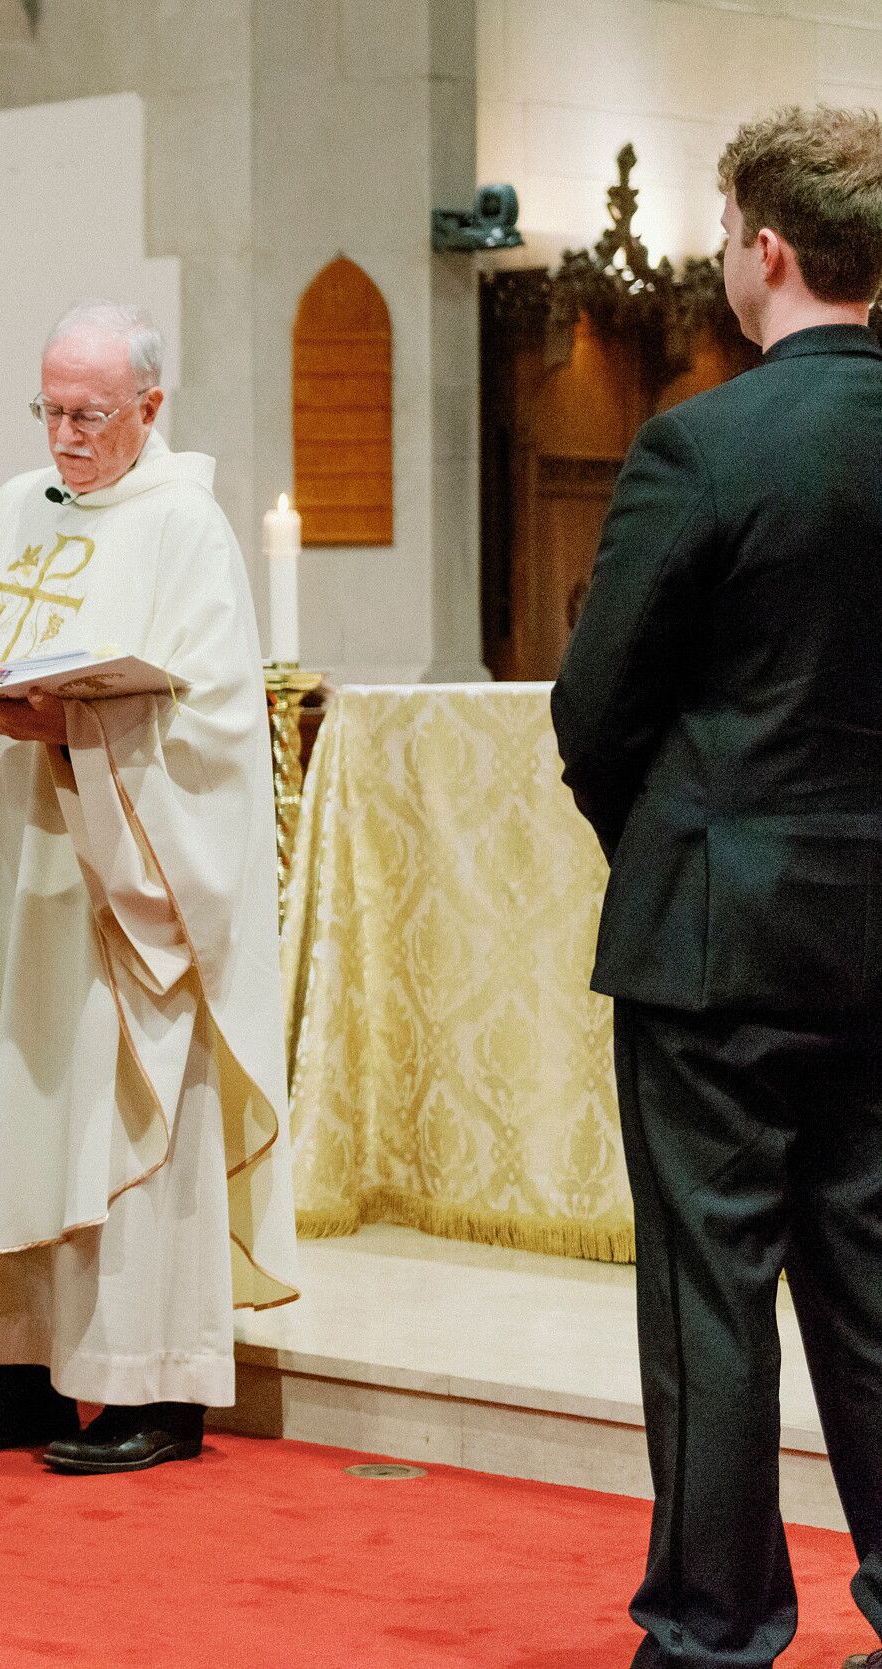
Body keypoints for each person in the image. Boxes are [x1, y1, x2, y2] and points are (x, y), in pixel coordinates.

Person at [551, 105, 882, 1669]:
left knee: (714, 1297)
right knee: (876, 1290)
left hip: (720, 933)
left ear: (764, 248)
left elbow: (596, 703)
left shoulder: (706, 442)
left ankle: (715, 1631)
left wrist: (675, 842)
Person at [0, 302, 297, 1477]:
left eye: (89, 414)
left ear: (151, 408)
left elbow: (220, 726)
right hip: (7, 867)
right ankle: (24, 1371)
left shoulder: (186, 529)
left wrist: (83, 723)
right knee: (13, 1096)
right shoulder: (7, 510)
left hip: (119, 879)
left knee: (117, 1105)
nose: (65, 435)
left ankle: (151, 1387)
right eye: (50, 410)